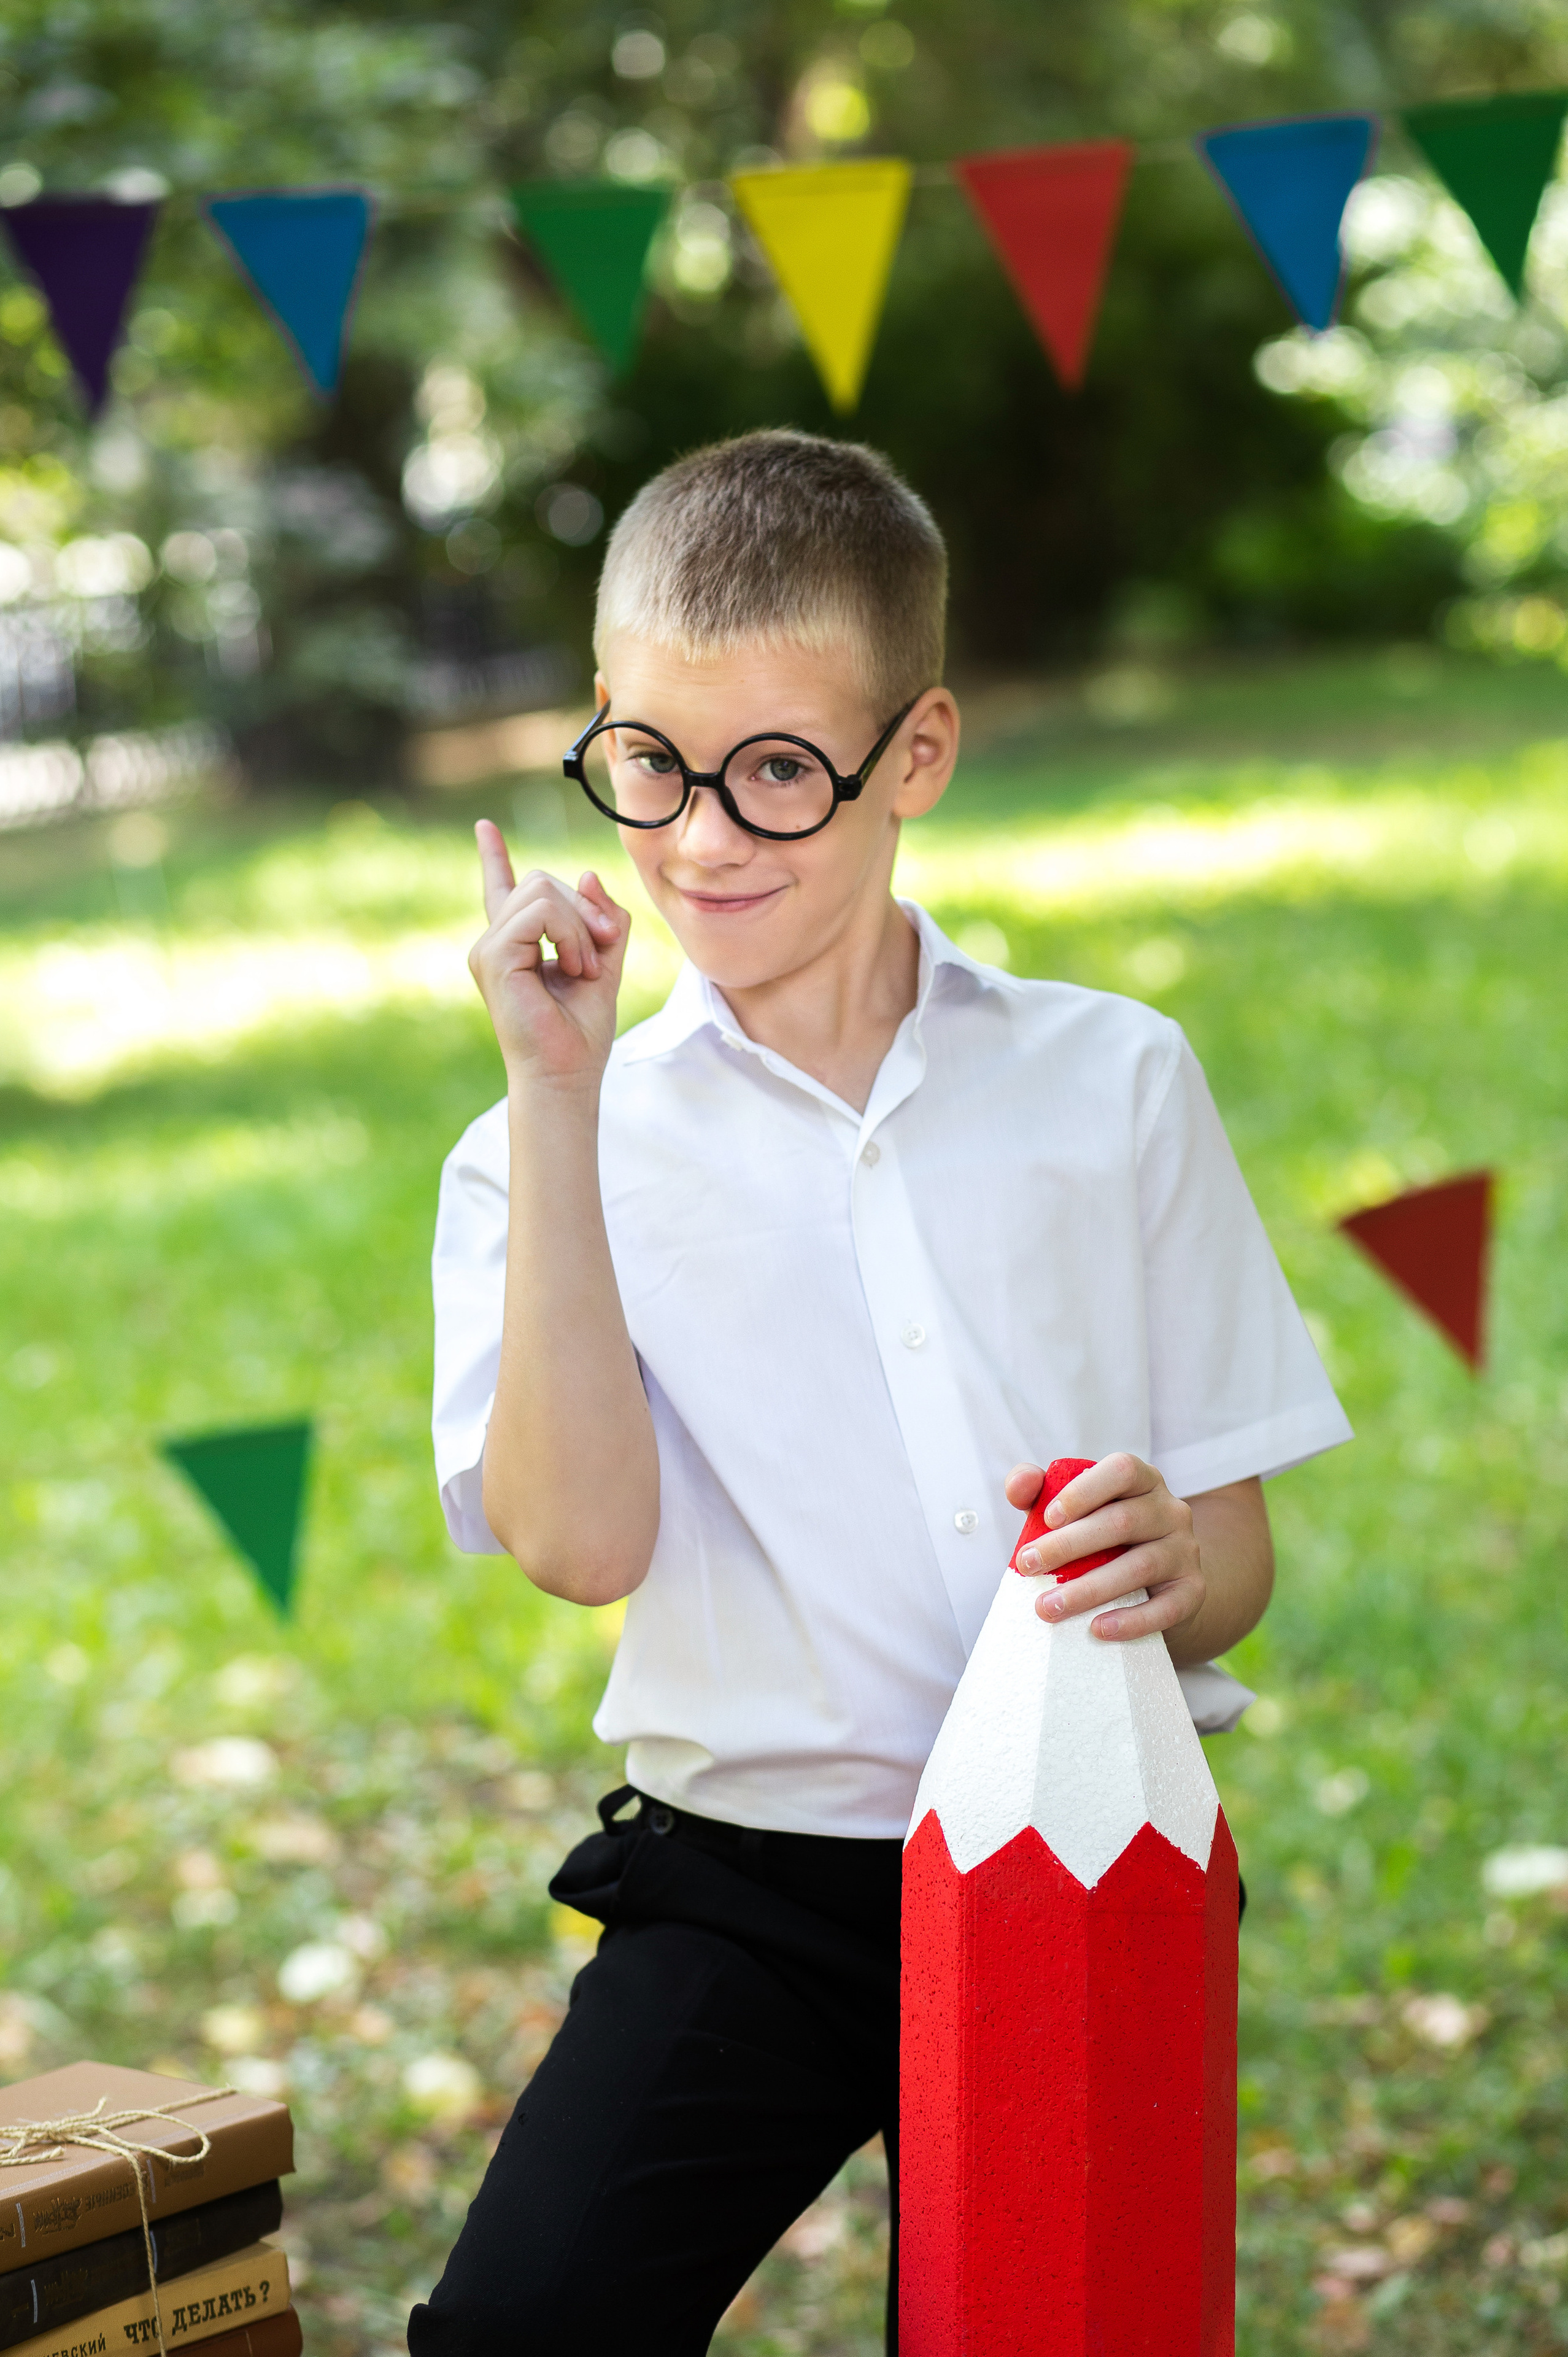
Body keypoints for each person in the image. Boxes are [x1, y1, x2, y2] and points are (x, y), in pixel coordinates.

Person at [412, 430, 1351, 2356]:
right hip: (741, 1885)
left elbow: (1233, 1568)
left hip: (1082, 1861)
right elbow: (578, 1546)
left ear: (914, 755)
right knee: (520, 2331)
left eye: (777, 771)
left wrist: (1177, 1564)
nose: (699, 840)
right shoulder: (538, 1149)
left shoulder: (1114, 1082)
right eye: (649, 763)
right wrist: (558, 1094)